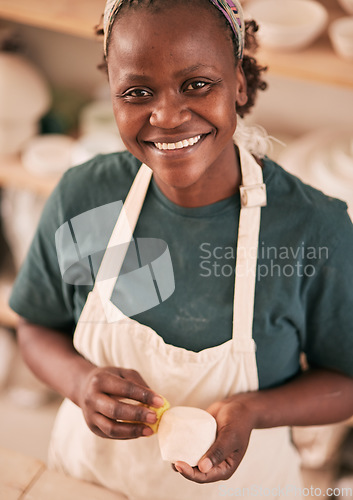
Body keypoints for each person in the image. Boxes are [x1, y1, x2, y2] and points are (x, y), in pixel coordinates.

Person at [9, 0, 353, 499]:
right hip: (91, 481)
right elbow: (37, 326)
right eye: (137, 91)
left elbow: (344, 381)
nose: (167, 116)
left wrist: (253, 411)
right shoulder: (83, 197)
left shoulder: (312, 229)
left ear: (237, 82)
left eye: (197, 84)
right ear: (111, 94)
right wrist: (81, 382)